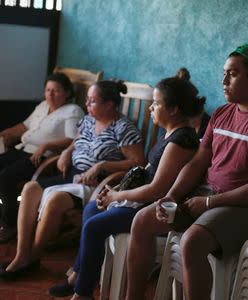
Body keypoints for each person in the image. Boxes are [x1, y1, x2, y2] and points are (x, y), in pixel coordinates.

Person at [125, 44, 248, 300]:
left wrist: (209, 203)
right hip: (206, 195)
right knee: (142, 220)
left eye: (233, 74)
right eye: (224, 73)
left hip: (246, 207)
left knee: (192, 241)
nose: (223, 81)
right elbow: (197, 163)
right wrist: (172, 196)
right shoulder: (221, 114)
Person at [48, 71, 206, 299]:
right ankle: (80, 276)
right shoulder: (169, 133)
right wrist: (118, 190)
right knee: (92, 208)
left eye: (156, 104)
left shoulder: (180, 141)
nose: (151, 108)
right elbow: (147, 172)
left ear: (173, 110)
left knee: (94, 226)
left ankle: (81, 293)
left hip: (155, 210)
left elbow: (157, 189)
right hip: (142, 201)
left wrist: (117, 197)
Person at [0, 80, 145, 279]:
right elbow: (76, 140)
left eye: (92, 101)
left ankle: (32, 257)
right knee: (30, 188)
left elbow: (137, 163)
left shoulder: (123, 128)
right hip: (71, 175)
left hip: (94, 184)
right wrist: (67, 152)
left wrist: (102, 165)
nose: (87, 104)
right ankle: (22, 255)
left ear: (109, 105)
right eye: (87, 100)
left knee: (55, 199)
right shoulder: (88, 120)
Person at [0, 72, 84, 243]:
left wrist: (46, 145)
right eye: (48, 90)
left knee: (6, 176)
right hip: (22, 148)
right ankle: (5, 215)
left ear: (67, 92)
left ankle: (9, 225)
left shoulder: (72, 111)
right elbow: (24, 126)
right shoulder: (42, 106)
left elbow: (72, 139)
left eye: (56, 91)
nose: (50, 94)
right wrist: (3, 134)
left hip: (42, 157)